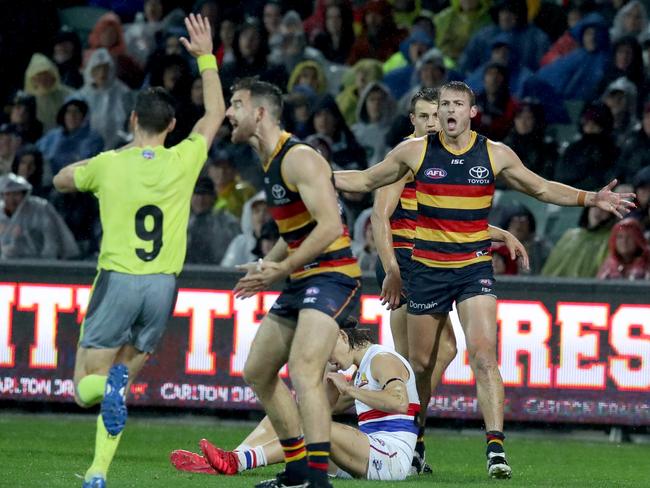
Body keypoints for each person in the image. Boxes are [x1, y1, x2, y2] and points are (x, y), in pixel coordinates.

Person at [333, 81, 635, 479]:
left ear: (473, 112)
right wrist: (311, 173)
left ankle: (496, 449)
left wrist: (588, 198)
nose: (449, 110)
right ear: (438, 112)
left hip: (475, 267)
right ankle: (415, 439)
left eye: (458, 104)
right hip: (426, 269)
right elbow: (367, 180)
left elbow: (540, 186)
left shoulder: (494, 153)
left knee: (483, 353)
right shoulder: (414, 151)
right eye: (444, 104)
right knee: (421, 364)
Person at [51, 14, 224, 488]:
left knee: (85, 383)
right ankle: (97, 472)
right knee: (123, 377)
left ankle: (102, 400)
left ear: (132, 120)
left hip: (119, 280)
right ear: (171, 125)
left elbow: (60, 180)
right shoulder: (184, 158)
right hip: (163, 286)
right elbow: (213, 115)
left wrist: (85, 170)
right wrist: (206, 56)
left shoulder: (109, 164)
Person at [371, 87, 529, 474]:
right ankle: (389, 428)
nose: (433, 122)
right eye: (426, 115)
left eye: (436, 114)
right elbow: (380, 215)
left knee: (445, 353)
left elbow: (454, 213)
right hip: (409, 263)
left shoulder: (446, 151)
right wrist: (391, 268)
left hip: (442, 259)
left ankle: (412, 434)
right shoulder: (409, 155)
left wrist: (498, 233)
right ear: (414, 119)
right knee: (414, 362)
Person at [226, 77, 362, 488]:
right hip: (303, 277)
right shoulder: (269, 161)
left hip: (334, 275)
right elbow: (296, 232)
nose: (229, 113)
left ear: (260, 113)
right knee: (258, 370)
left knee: (305, 369)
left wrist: (281, 270)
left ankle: (316, 480)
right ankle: (299, 469)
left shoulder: (299, 157)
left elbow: (330, 226)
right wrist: (266, 266)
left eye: (236, 104)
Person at [170, 326, 421, 481]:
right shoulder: (361, 371)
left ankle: (238, 462)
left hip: (391, 459)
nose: (328, 358)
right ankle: (229, 459)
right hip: (367, 456)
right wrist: (329, 380)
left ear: (342, 336)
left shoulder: (382, 359)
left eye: (327, 351)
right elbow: (321, 409)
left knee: (318, 430)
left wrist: (349, 389)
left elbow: (399, 403)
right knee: (284, 415)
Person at [0, 173, 79, 260]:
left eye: (16, 194)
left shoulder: (40, 208)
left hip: (38, 263)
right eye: (8, 194)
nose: (12, 199)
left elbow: (50, 239)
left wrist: (47, 262)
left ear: (23, 194)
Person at [186, 176, 240, 264]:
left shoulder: (228, 223)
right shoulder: (181, 223)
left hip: (218, 274)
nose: (200, 199)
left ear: (213, 197)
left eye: (204, 194)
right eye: (196, 194)